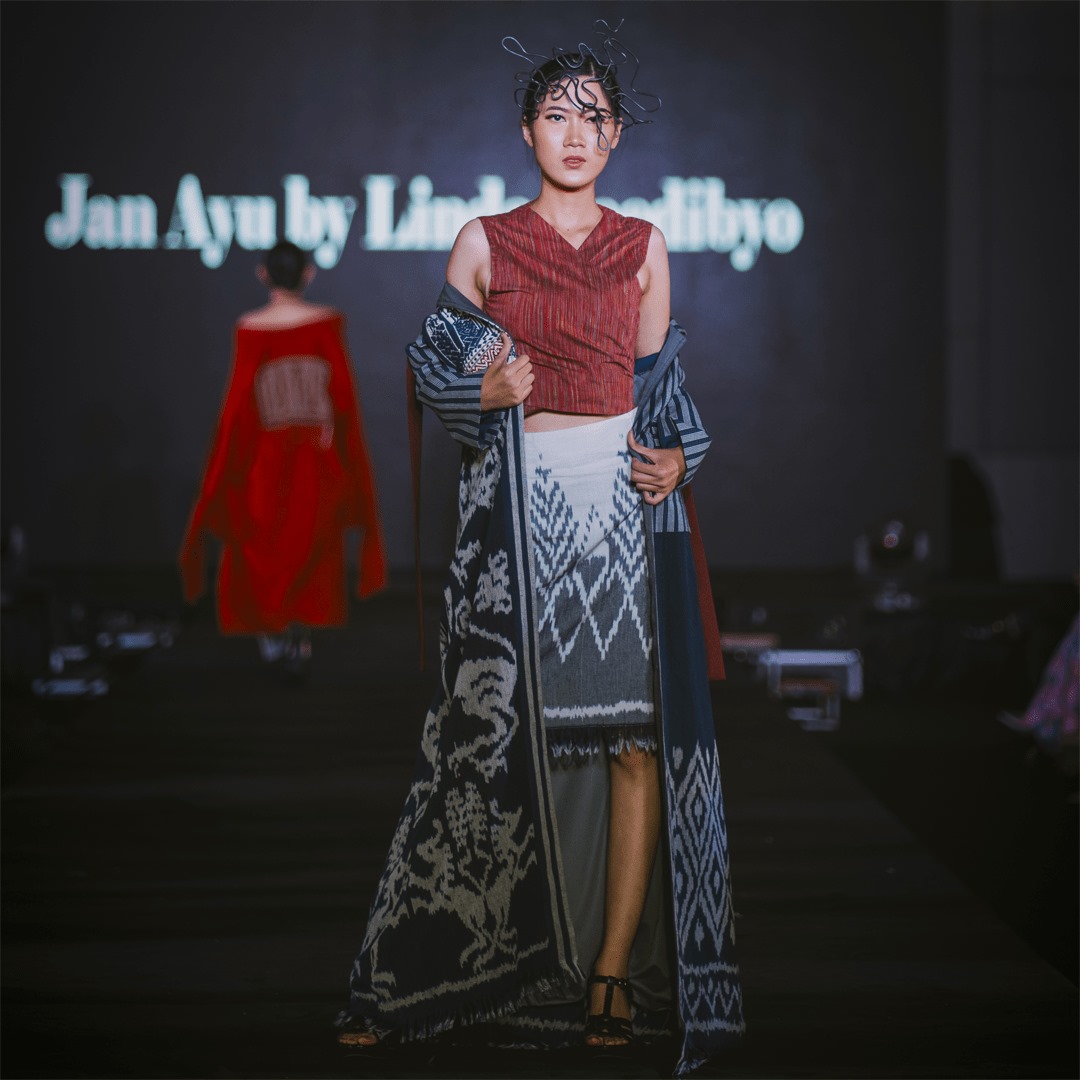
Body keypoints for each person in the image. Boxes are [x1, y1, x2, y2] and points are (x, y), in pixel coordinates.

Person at [337, 30, 744, 1075]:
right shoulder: (482, 242)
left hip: (622, 514)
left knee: (634, 745)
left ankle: (611, 970)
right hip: (516, 524)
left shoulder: (644, 245)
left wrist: (680, 460)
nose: (575, 133)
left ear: (616, 137)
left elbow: (662, 394)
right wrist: (486, 390)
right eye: (556, 115)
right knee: (480, 748)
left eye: (594, 117)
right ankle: (418, 971)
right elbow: (434, 379)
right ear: (527, 132)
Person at [179, 241, 387, 670]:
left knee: (265, 549)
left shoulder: (250, 328)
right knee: (310, 545)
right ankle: (298, 633)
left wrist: (225, 474)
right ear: (308, 273)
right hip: (316, 463)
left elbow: (237, 411)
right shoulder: (327, 324)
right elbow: (343, 401)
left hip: (265, 465)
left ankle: (275, 633)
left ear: (263, 274)